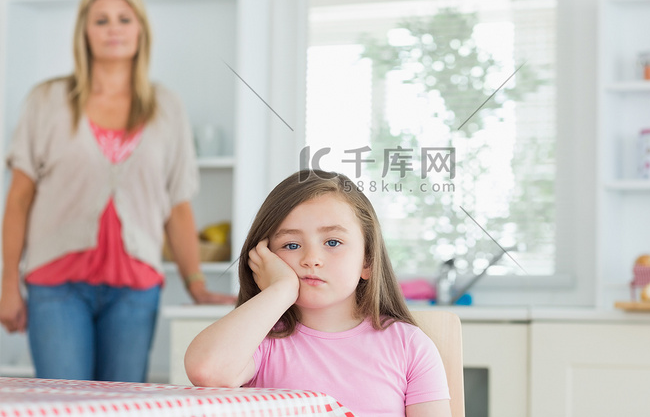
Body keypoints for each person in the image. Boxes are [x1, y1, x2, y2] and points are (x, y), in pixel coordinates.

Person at [0, 0, 235, 383]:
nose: (113, 28)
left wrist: (196, 284)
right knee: (63, 402)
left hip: (135, 287)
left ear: (140, 30)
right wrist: (7, 284)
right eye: (101, 20)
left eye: (124, 19)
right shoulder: (47, 100)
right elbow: (19, 198)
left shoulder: (166, 107)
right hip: (56, 285)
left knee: (122, 405)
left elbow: (177, 204)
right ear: (84, 32)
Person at [184, 170, 451, 417]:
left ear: (367, 261)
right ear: (264, 259)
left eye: (332, 242)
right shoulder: (260, 343)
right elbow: (207, 372)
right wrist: (281, 289)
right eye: (291, 244)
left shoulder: (409, 346)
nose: (311, 259)